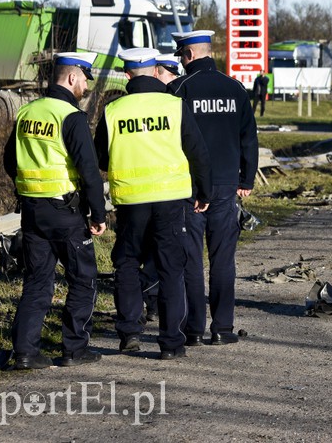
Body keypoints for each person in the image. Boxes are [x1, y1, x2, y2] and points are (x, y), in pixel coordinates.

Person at [94, 47, 212, 360]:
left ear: (127, 74)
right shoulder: (174, 106)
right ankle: (171, 343)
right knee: (171, 267)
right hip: (171, 199)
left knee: (128, 262)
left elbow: (101, 158)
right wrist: (204, 192)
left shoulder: (113, 110)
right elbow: (197, 151)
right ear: (156, 71)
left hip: (130, 201)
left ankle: (130, 332)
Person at [3, 52, 107, 369]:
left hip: (32, 212)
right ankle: (74, 349)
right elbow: (89, 172)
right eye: (85, 78)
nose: (87, 85)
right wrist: (98, 215)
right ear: (72, 77)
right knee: (83, 278)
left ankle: (24, 352)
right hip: (66, 213)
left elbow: (10, 160)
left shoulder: (27, 112)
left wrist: (30, 188)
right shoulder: (70, 116)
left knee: (37, 281)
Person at [168, 30, 259, 346]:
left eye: (181, 56)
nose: (181, 62)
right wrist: (246, 179)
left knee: (191, 258)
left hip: (189, 187)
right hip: (226, 184)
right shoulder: (235, 89)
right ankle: (222, 328)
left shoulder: (179, 89)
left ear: (189, 55)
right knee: (222, 258)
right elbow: (248, 137)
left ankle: (192, 329)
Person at [136, 53, 182, 322]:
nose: (169, 80)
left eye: (172, 75)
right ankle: (152, 302)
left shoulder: (174, 103)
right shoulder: (152, 104)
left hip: (164, 190)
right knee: (152, 252)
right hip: (149, 190)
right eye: (166, 74)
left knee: (158, 253)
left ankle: (153, 304)